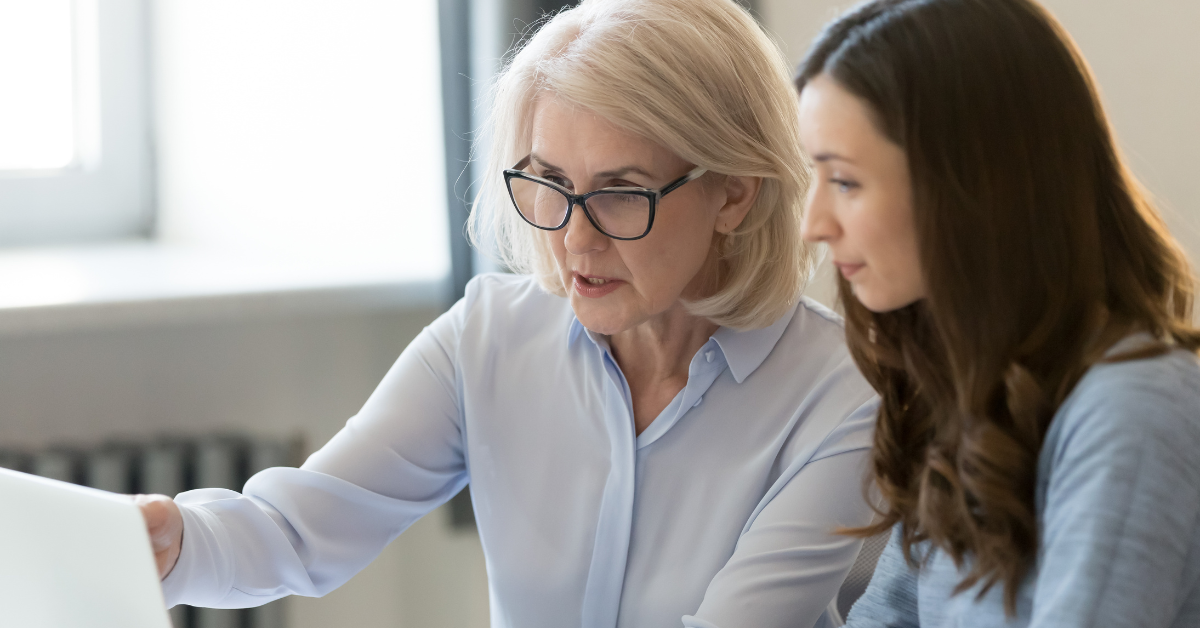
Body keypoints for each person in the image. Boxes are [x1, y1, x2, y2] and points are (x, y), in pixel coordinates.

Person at [135, 1, 880, 626]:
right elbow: (297, 529)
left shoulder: (840, 394)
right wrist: (177, 541)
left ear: (734, 193)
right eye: (550, 183)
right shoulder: (487, 338)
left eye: (621, 190)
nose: (574, 239)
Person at [794, 0, 1200, 626]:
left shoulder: (1134, 407)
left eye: (844, 182)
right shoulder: (974, 394)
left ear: (967, 189)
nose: (812, 225)